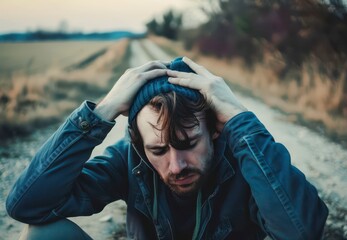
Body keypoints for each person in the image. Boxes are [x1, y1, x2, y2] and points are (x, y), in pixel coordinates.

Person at [6, 57, 328, 240]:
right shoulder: (129, 161)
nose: (176, 166)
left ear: (214, 130)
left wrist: (240, 120)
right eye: (158, 150)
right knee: (41, 235)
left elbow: (302, 231)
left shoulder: (246, 160)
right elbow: (26, 206)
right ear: (139, 145)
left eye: (188, 144)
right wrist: (101, 112)